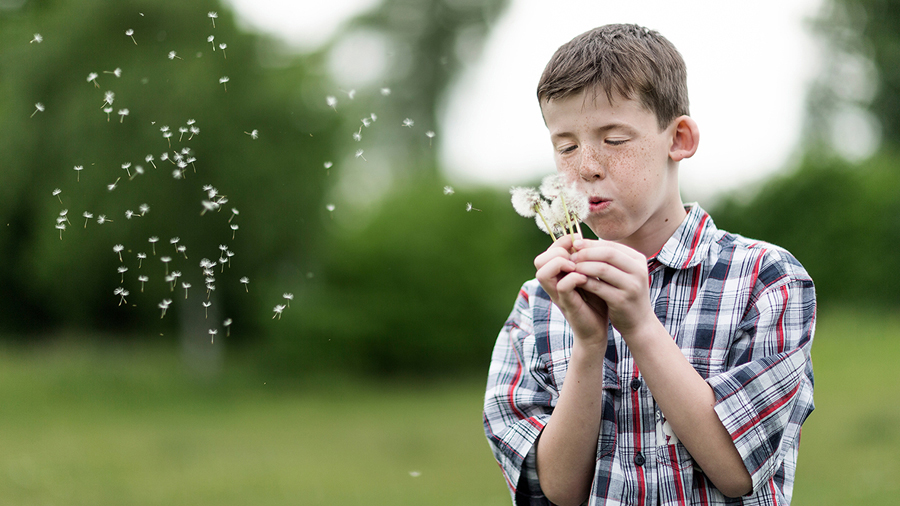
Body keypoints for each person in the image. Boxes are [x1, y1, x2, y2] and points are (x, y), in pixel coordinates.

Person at [483, 23, 815, 506]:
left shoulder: (765, 280)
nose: (587, 166)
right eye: (567, 146)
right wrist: (589, 345)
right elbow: (557, 492)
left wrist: (639, 324)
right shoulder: (539, 305)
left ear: (678, 138)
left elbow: (738, 472)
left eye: (615, 139)